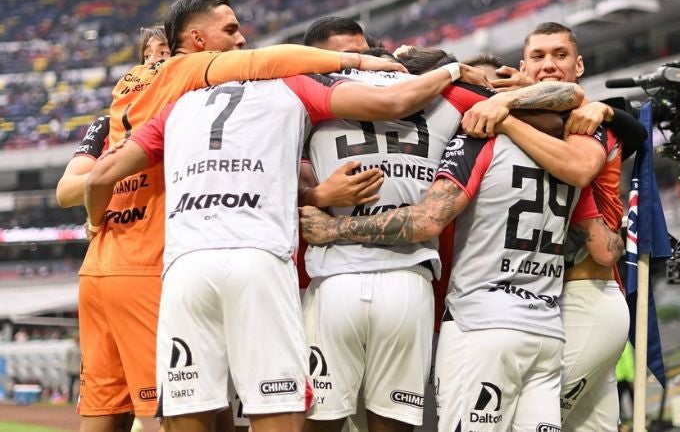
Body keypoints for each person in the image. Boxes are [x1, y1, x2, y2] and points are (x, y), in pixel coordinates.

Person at [83, 56, 489, 432]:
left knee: (199, 406)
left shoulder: (176, 107)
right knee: (284, 406)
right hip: (326, 270)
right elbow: (396, 101)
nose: (242, 41)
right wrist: (452, 70)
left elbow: (98, 177)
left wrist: (93, 219)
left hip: (198, 266)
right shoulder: (294, 86)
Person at [74, 0, 407, 432]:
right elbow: (267, 63)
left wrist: (95, 220)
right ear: (195, 40)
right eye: (231, 31)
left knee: (158, 408)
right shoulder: (196, 73)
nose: (241, 40)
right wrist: (374, 67)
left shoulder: (130, 103)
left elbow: (84, 182)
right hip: (182, 262)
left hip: (143, 263)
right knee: (252, 404)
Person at [301, 45, 584, 432]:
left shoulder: (315, 89)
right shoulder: (446, 95)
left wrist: (317, 203)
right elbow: (568, 97)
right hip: (409, 282)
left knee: (319, 423)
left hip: (336, 278)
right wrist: (500, 91)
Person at [462, 22, 646, 431]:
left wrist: (506, 116)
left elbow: (593, 157)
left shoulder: (585, 119)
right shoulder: (545, 119)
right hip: (547, 304)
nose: (549, 65)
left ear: (579, 65)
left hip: (586, 298)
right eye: (539, 57)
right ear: (522, 66)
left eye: (560, 55)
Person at [56, 26, 170, 209]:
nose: (151, 62)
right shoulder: (107, 125)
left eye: (164, 53)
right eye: (146, 56)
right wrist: (114, 172)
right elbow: (65, 192)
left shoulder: (182, 117)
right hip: (114, 233)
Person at [66, 335, 81, 404]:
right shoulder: (71, 349)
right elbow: (68, 359)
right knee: (71, 385)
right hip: (72, 369)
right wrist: (68, 368)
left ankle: (79, 399)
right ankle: (70, 399)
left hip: (79, 370)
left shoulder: (81, 348)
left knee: (80, 385)